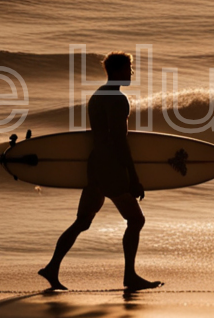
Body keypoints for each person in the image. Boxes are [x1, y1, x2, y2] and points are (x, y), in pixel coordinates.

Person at [38, 51, 163, 293]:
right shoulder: (117, 99)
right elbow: (119, 140)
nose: (131, 73)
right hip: (110, 167)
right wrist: (134, 178)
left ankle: (52, 267)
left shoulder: (96, 96)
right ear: (117, 71)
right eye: (128, 69)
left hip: (95, 164)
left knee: (83, 221)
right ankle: (130, 276)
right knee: (136, 220)